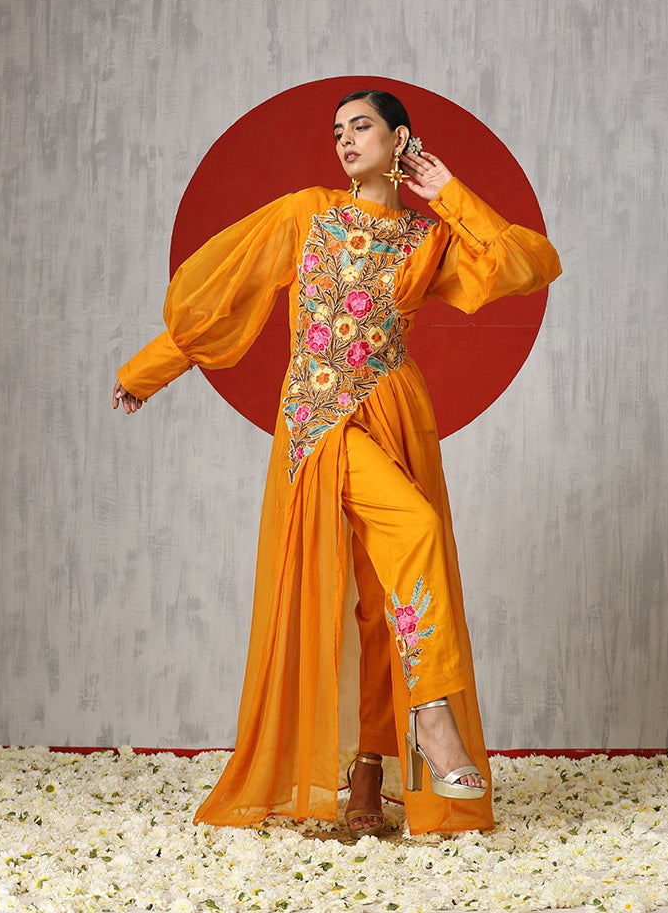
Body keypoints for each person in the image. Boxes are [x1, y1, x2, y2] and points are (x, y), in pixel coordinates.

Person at [112, 89, 562, 837]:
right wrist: (149, 369)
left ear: (400, 139)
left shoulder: (427, 238)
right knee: (412, 533)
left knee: (382, 596)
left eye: (362, 126)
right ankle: (431, 718)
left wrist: (450, 193)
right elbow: (227, 292)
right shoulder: (307, 214)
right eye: (337, 131)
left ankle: (372, 768)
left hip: (394, 415)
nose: (346, 140)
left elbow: (529, 265)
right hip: (319, 423)